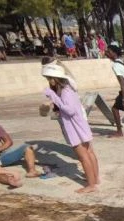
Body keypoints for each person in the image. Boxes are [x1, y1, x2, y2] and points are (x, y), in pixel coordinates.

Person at [40, 63, 100, 193]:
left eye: (48, 78)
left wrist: (53, 96)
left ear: (53, 79)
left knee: (83, 156)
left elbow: (70, 110)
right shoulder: (70, 86)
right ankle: (95, 179)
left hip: (74, 126)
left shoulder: (65, 91)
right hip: (80, 123)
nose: (48, 82)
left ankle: (91, 185)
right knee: (89, 152)